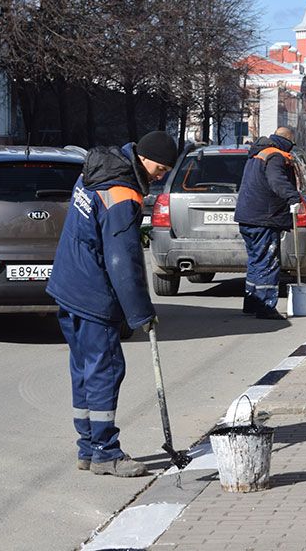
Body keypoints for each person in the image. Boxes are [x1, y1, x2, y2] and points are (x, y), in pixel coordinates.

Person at [47, 131, 178, 478]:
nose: (160, 175)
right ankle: (106, 452)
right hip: (92, 293)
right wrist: (142, 314)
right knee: (105, 370)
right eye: (160, 168)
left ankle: (88, 448)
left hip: (69, 285)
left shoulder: (97, 171)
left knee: (84, 369)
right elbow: (123, 261)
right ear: (143, 156)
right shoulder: (121, 193)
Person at [234, 126, 301, 320]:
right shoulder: (275, 156)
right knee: (268, 262)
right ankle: (265, 307)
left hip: (248, 216)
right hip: (265, 217)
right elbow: (277, 181)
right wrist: (293, 198)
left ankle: (253, 303)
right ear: (287, 141)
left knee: (256, 261)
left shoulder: (258, 153)